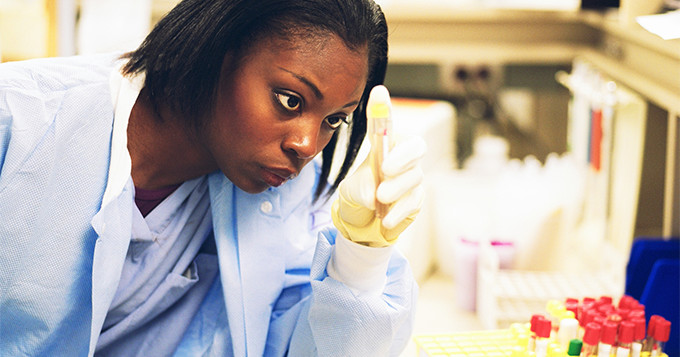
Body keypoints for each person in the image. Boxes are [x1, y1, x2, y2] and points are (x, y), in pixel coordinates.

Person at [0, 0, 426, 355]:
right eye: (289, 100)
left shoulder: (286, 191)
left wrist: (361, 257)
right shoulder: (18, 124)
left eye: (334, 119)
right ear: (218, 51)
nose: (307, 144)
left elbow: (303, 347)